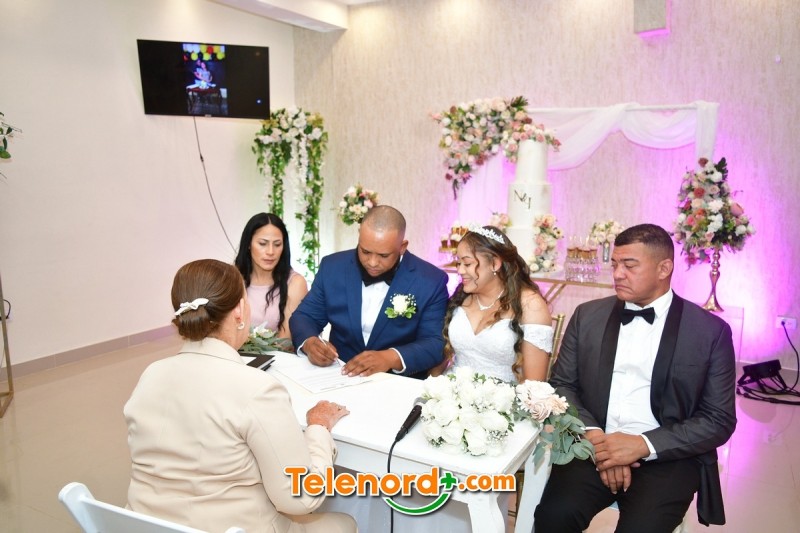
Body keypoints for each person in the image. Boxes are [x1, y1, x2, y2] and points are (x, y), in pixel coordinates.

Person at [124, 259, 355, 533]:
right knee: (345, 523)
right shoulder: (257, 388)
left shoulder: (151, 374)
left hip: (146, 526)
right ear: (238, 310)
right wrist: (318, 428)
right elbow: (301, 498)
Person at [534, 224, 737, 532]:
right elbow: (562, 385)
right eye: (615, 264)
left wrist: (642, 444)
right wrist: (596, 440)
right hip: (592, 447)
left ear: (664, 269)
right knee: (553, 517)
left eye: (629, 266)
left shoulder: (709, 332)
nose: (617, 274)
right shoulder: (587, 316)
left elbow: (718, 419)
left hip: (666, 456)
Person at [290, 205, 448, 379]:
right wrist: (309, 342)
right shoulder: (333, 267)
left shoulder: (430, 280)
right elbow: (305, 316)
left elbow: (434, 344)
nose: (372, 262)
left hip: (397, 383)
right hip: (339, 376)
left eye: (383, 255)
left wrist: (390, 358)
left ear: (402, 246)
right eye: (365, 251)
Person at [441, 225, 553, 383]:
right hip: (451, 389)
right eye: (458, 263)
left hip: (503, 396)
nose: (460, 271)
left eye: (467, 264)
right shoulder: (461, 297)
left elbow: (534, 384)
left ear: (495, 263)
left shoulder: (530, 305)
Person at [235, 213, 308, 341]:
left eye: (277, 244)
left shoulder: (295, 283)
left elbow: (286, 341)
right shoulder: (233, 278)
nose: (270, 252)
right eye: (262, 243)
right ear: (248, 244)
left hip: (278, 353)